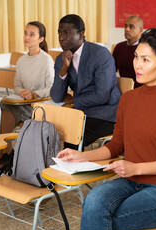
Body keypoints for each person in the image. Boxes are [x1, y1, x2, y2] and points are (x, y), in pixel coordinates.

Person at [56, 28, 156, 230]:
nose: (137, 64)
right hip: (131, 180)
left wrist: (135, 167)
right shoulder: (128, 99)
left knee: (98, 218)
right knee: (93, 202)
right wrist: (80, 156)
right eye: (136, 57)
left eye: (146, 60)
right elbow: (116, 145)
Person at [50, 14, 121, 149]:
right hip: (82, 113)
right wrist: (64, 70)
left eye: (66, 33)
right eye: (59, 33)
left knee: (72, 137)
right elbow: (56, 96)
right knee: (52, 130)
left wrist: (74, 100)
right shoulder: (61, 59)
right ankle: (51, 168)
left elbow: (102, 95)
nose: (61, 38)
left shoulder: (100, 54)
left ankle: (70, 168)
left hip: (107, 114)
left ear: (81, 35)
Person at [0, 21, 54, 134]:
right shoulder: (21, 60)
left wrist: (34, 94)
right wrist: (22, 92)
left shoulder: (47, 60)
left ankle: (5, 150)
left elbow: (51, 87)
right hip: (23, 101)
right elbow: (17, 86)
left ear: (41, 39)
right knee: (2, 106)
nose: (26, 37)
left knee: (7, 112)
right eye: (25, 33)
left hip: (39, 104)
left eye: (31, 34)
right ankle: (6, 149)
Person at [112, 15, 144, 88]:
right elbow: (111, 71)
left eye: (131, 27)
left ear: (140, 30)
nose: (127, 29)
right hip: (121, 87)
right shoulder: (119, 47)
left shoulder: (145, 48)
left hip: (141, 89)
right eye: (126, 26)